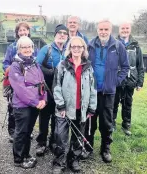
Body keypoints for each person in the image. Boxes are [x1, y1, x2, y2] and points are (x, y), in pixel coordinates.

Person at [85, 20, 129, 163]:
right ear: (97, 30)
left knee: (106, 122)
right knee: (90, 121)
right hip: (91, 91)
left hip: (108, 93)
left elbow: (125, 67)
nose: (103, 32)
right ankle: (88, 146)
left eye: (106, 29)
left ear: (110, 30)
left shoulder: (118, 46)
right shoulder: (90, 45)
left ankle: (105, 148)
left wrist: (115, 81)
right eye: (101, 29)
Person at [52, 36, 97, 174]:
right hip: (64, 109)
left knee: (78, 138)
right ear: (69, 49)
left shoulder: (88, 67)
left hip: (81, 110)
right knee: (60, 137)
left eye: (79, 46)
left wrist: (91, 107)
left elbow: (93, 88)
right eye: (73, 46)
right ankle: (59, 162)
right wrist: (60, 105)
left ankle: (73, 160)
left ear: (83, 49)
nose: (76, 49)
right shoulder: (62, 65)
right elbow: (56, 86)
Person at [8, 36, 47, 169]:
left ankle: (26, 154)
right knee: (21, 132)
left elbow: (42, 83)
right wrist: (36, 101)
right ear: (19, 49)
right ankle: (18, 159)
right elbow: (21, 89)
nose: (27, 49)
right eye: (24, 47)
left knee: (28, 131)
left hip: (35, 104)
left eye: (29, 47)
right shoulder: (15, 66)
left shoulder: (34, 63)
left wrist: (43, 99)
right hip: (22, 106)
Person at [36, 24, 69, 156]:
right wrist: (51, 72)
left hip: (62, 89)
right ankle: (41, 142)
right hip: (47, 88)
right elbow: (36, 65)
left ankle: (53, 141)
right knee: (44, 117)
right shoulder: (46, 48)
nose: (62, 35)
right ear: (55, 34)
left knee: (58, 117)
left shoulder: (68, 50)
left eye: (64, 33)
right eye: (59, 33)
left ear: (67, 36)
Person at [2, 22, 36, 142]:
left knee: (28, 108)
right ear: (17, 33)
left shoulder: (33, 46)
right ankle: (13, 131)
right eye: (20, 30)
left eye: (24, 30)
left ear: (28, 31)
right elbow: (5, 63)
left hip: (29, 84)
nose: (22, 32)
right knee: (13, 108)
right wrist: (12, 70)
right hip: (14, 82)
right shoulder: (12, 47)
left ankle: (26, 131)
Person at [113, 22, 144, 135]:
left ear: (130, 30)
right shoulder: (113, 44)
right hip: (116, 80)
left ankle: (126, 125)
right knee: (114, 103)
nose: (125, 30)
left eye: (127, 28)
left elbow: (140, 65)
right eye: (123, 28)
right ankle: (112, 123)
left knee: (127, 104)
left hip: (130, 80)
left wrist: (140, 82)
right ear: (119, 29)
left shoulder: (136, 46)